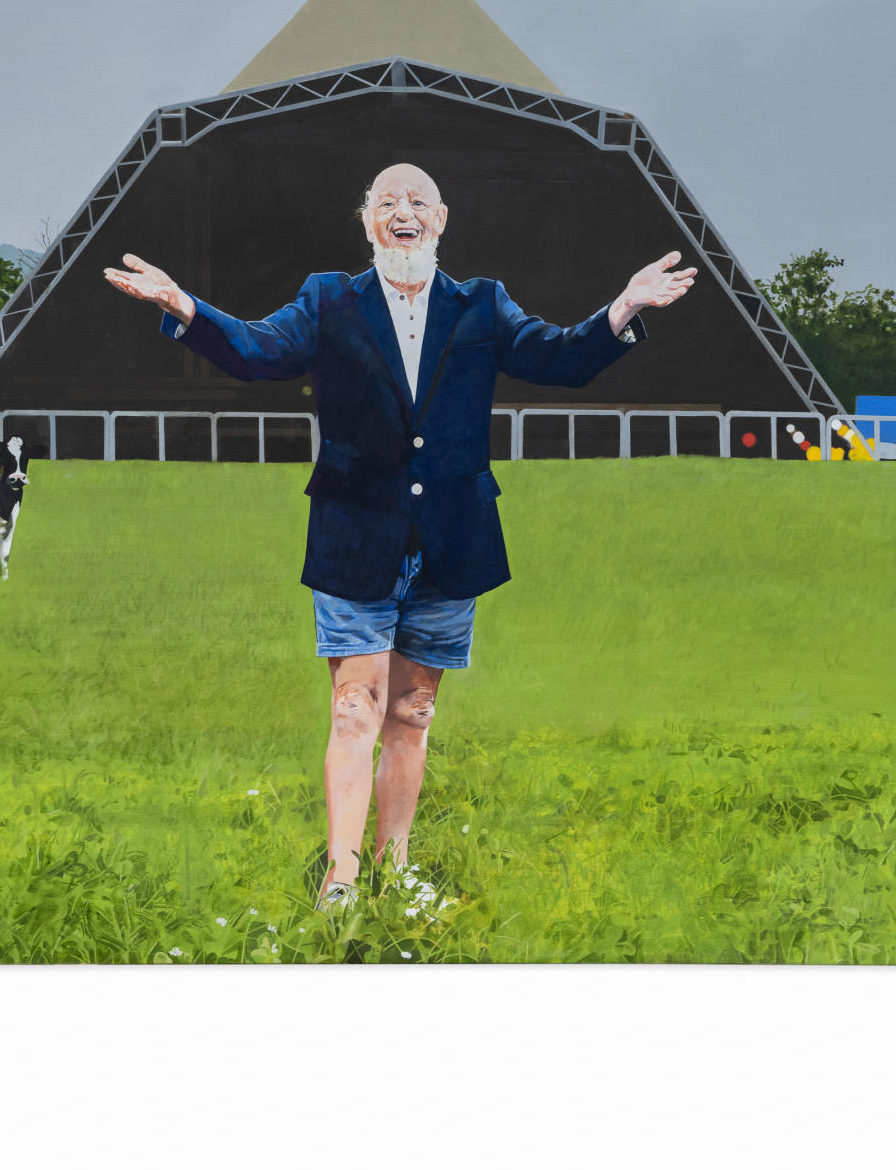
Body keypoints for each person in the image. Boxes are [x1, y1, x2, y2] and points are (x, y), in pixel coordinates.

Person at [104, 162, 695, 906]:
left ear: (442, 220)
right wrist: (184, 306)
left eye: (417, 201)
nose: (403, 211)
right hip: (355, 535)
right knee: (355, 707)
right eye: (387, 202)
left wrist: (621, 310)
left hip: (452, 540)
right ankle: (342, 877)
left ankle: (395, 867)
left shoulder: (483, 304)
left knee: (412, 713)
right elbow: (259, 352)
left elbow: (558, 359)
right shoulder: (328, 299)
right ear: (367, 222)